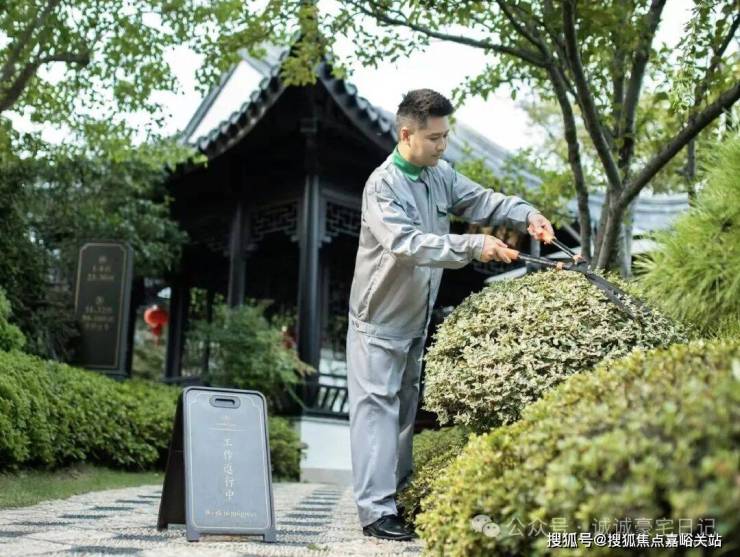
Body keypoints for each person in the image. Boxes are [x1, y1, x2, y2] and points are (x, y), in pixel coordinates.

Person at [346, 89, 554, 541]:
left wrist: (527, 214)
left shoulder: (440, 175)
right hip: (376, 321)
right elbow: (407, 244)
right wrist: (474, 245)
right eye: (434, 138)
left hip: (415, 319)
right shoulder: (382, 187)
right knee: (376, 412)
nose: (443, 146)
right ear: (407, 134)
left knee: (403, 413)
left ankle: (396, 501)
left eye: (445, 136)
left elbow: (483, 201)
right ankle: (375, 512)